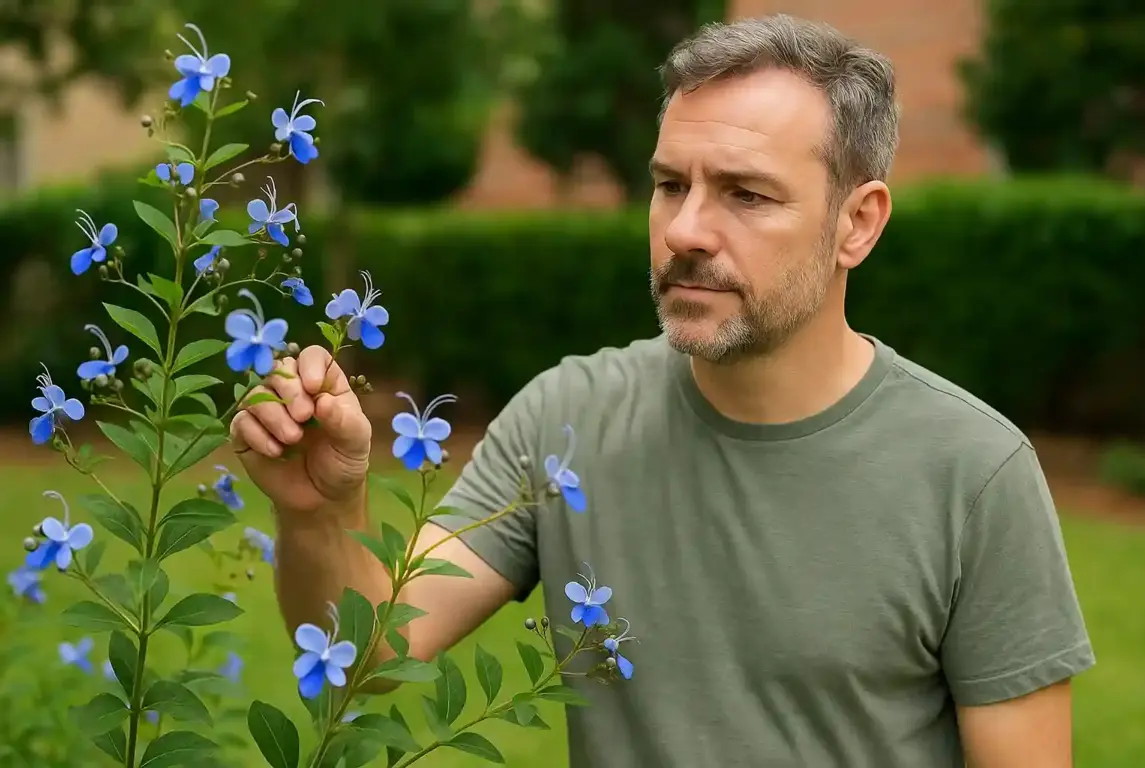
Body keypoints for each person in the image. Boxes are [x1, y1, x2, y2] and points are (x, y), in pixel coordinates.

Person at [231, 14, 1094, 768]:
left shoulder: (974, 475)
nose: (684, 231)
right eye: (670, 184)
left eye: (746, 195)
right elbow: (375, 653)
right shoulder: (567, 420)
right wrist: (318, 513)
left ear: (856, 223)